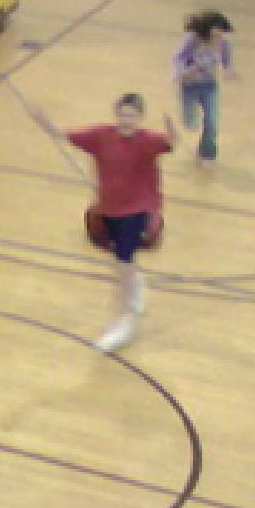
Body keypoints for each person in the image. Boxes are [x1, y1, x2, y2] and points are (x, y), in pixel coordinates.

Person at [35, 93, 179, 353]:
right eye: (123, 115)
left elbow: (170, 143)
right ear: (117, 115)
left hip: (138, 209)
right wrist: (44, 123)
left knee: (123, 262)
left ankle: (125, 321)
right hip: (109, 209)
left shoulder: (147, 141)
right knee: (121, 264)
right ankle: (135, 291)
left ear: (139, 118)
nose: (127, 120)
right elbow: (65, 136)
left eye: (132, 116)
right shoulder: (101, 136)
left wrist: (172, 131)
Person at [173, 11, 237, 163]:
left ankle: (206, 153)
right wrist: (183, 72)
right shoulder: (192, 41)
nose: (220, 36)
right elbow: (178, 58)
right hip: (189, 87)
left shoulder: (223, 44)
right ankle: (190, 120)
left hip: (209, 86)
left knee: (212, 121)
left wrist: (229, 71)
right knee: (191, 124)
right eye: (217, 32)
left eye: (222, 33)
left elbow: (227, 61)